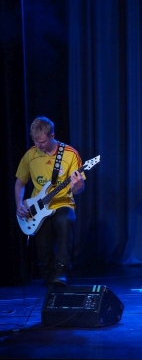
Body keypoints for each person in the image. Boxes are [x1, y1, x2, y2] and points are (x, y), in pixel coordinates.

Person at [15, 116, 85, 287]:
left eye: (42, 142)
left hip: (63, 203)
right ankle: (49, 279)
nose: (38, 145)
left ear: (52, 135)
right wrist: (19, 205)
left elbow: (78, 190)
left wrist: (77, 184)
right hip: (37, 209)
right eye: (35, 141)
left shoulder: (70, 154)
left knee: (64, 220)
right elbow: (20, 183)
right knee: (43, 251)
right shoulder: (30, 155)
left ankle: (61, 271)